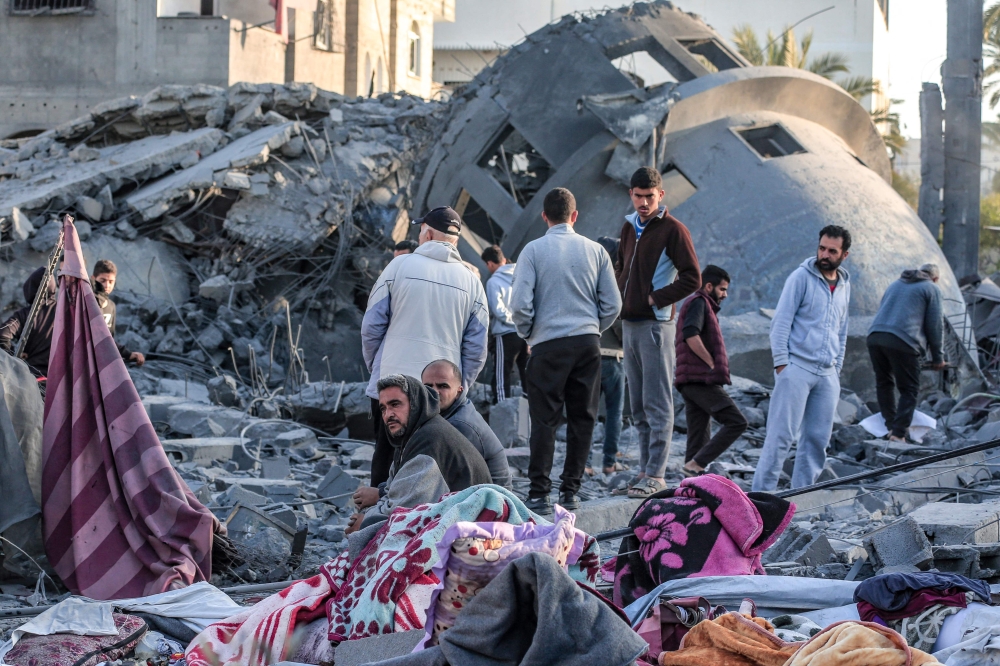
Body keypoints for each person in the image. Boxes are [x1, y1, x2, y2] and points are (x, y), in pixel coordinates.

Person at [510, 188, 621, 515]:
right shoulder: (597, 251)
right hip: (587, 344)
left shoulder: (532, 250)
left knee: (543, 419)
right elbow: (613, 304)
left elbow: (518, 305)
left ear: (545, 216)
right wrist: (593, 329)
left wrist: (529, 332)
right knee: (582, 417)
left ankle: (539, 493)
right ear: (575, 216)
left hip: (547, 345)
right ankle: (570, 492)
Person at [362, 206, 489, 488]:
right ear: (454, 241)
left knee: (385, 456)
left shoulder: (398, 267)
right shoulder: (472, 282)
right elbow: (477, 349)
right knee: (435, 465)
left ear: (427, 233)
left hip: (392, 383)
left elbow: (371, 326)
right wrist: (457, 388)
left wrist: (377, 369)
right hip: (439, 393)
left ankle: (377, 525)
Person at [616, 167, 701, 498]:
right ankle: (643, 470)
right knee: (637, 404)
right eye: (638, 196)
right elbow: (622, 264)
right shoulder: (628, 227)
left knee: (657, 402)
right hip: (630, 325)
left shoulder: (673, 230)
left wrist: (655, 298)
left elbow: (692, 277)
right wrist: (623, 290)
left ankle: (657, 473)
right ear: (631, 194)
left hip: (655, 326)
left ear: (660, 195)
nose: (644, 202)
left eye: (650, 196)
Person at [751, 226, 852, 492]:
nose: (825, 254)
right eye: (822, 248)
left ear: (844, 254)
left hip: (827, 375)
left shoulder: (844, 285)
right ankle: (761, 498)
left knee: (817, 441)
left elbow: (842, 330)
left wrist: (837, 368)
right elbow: (780, 323)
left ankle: (802, 501)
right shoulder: (800, 278)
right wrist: (783, 365)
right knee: (780, 437)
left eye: (832, 250)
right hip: (796, 368)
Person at [347, 374, 491, 534]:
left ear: (415, 404)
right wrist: (369, 515)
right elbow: (393, 492)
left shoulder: (429, 441)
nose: (388, 415)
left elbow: (406, 512)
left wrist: (365, 523)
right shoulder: (411, 436)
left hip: (472, 534)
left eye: (395, 404)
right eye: (383, 408)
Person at [675, 265, 748, 476]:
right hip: (699, 379)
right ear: (709, 286)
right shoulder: (700, 302)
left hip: (690, 380)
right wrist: (711, 364)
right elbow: (691, 334)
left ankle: (690, 486)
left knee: (698, 437)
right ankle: (696, 466)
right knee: (736, 422)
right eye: (722, 289)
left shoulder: (700, 304)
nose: (725, 294)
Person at [868, 263, 945, 442]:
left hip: (875, 336)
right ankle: (899, 433)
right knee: (909, 389)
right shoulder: (932, 288)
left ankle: (890, 427)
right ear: (935, 279)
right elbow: (935, 325)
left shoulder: (895, 284)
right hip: (903, 341)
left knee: (884, 383)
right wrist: (938, 357)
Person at [421, 359, 512, 489]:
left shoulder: (459, 425)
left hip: (492, 502)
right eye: (428, 386)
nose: (434, 392)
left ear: (459, 391)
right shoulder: (451, 412)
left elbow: (434, 478)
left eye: (443, 386)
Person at [593, 236, 626, 475]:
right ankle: (609, 461)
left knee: (587, 413)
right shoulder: (614, 283)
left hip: (589, 354)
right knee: (614, 413)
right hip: (613, 357)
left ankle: (583, 464)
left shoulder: (586, 282)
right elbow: (617, 319)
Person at [481, 244, 527, 402]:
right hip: (525, 333)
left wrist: (512, 322)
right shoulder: (522, 276)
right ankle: (528, 410)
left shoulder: (493, 282)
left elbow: (497, 309)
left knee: (502, 375)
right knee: (525, 372)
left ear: (490, 264)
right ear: (504, 260)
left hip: (505, 334)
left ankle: (501, 409)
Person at [0, 267, 57, 378]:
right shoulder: (67, 312)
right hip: (61, 382)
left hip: (31, 380)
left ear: (30, 288)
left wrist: (15, 356)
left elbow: (2, 335)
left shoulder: (24, 314)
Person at [92, 259, 146, 367]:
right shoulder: (88, 301)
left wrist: (127, 354)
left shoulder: (111, 305)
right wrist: (126, 353)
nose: (107, 285)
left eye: (111, 281)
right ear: (93, 278)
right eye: (102, 280)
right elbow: (96, 334)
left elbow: (108, 338)